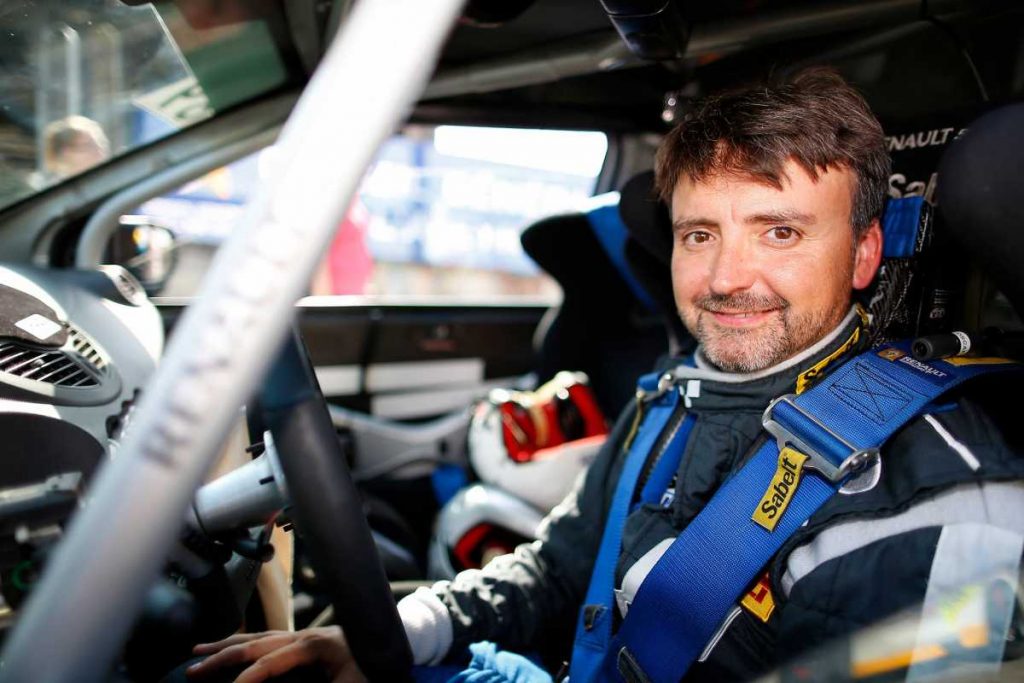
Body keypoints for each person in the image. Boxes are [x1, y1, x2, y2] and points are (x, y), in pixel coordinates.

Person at [186, 68, 1024, 682]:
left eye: (779, 232)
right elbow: (557, 569)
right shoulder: (672, 399)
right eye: (700, 235)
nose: (727, 278)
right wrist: (390, 637)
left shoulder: (934, 495)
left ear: (865, 253)